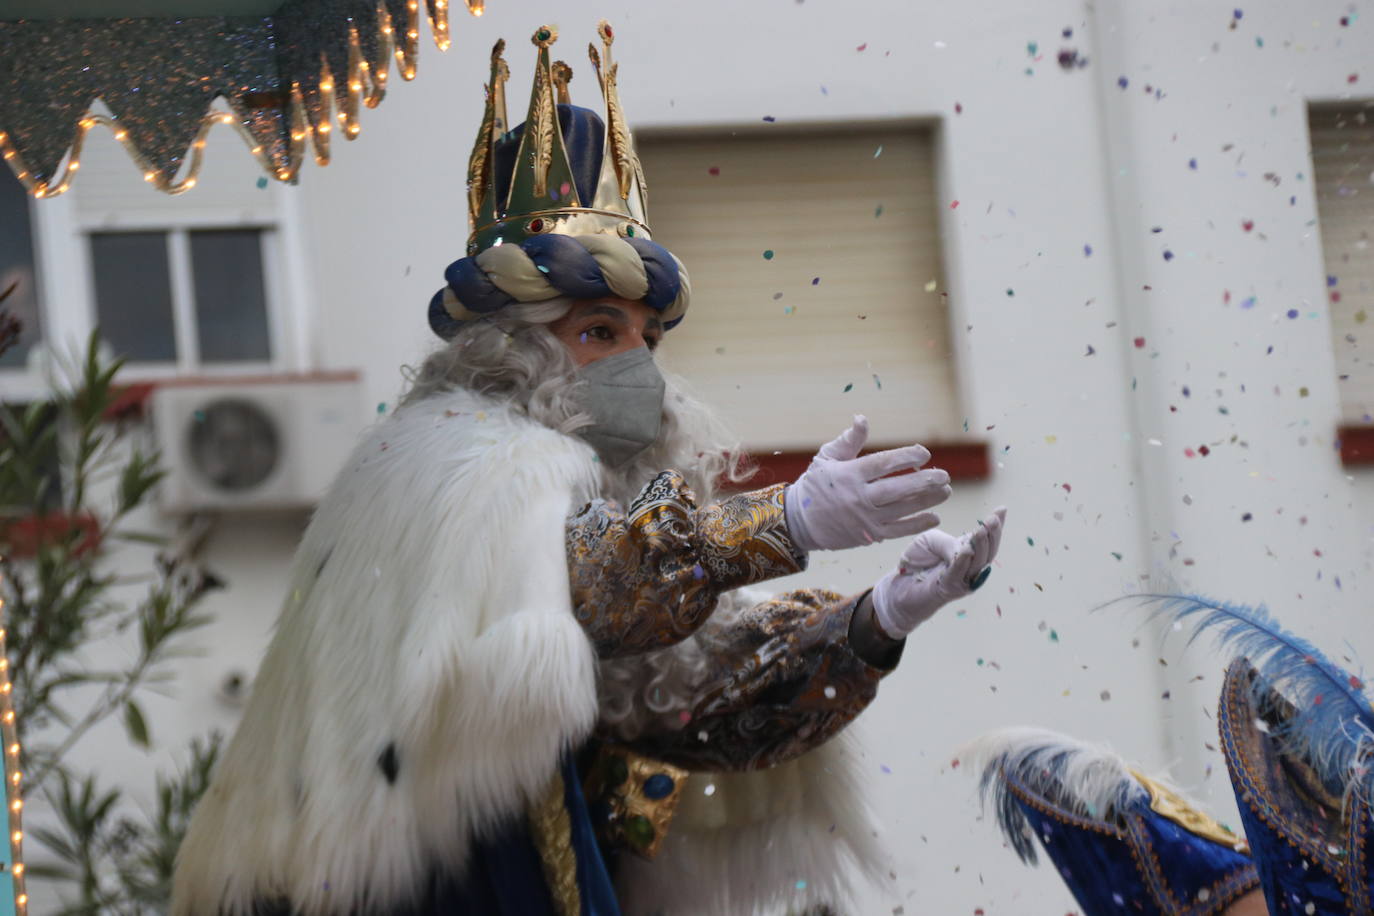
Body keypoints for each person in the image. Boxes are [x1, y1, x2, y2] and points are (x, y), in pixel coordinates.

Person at [171, 22, 1006, 916]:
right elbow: (590, 576)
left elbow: (690, 704)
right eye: (600, 332)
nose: (638, 368)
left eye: (648, 339)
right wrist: (784, 523)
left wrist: (879, 619)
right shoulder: (452, 463)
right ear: (511, 347)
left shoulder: (586, 493)